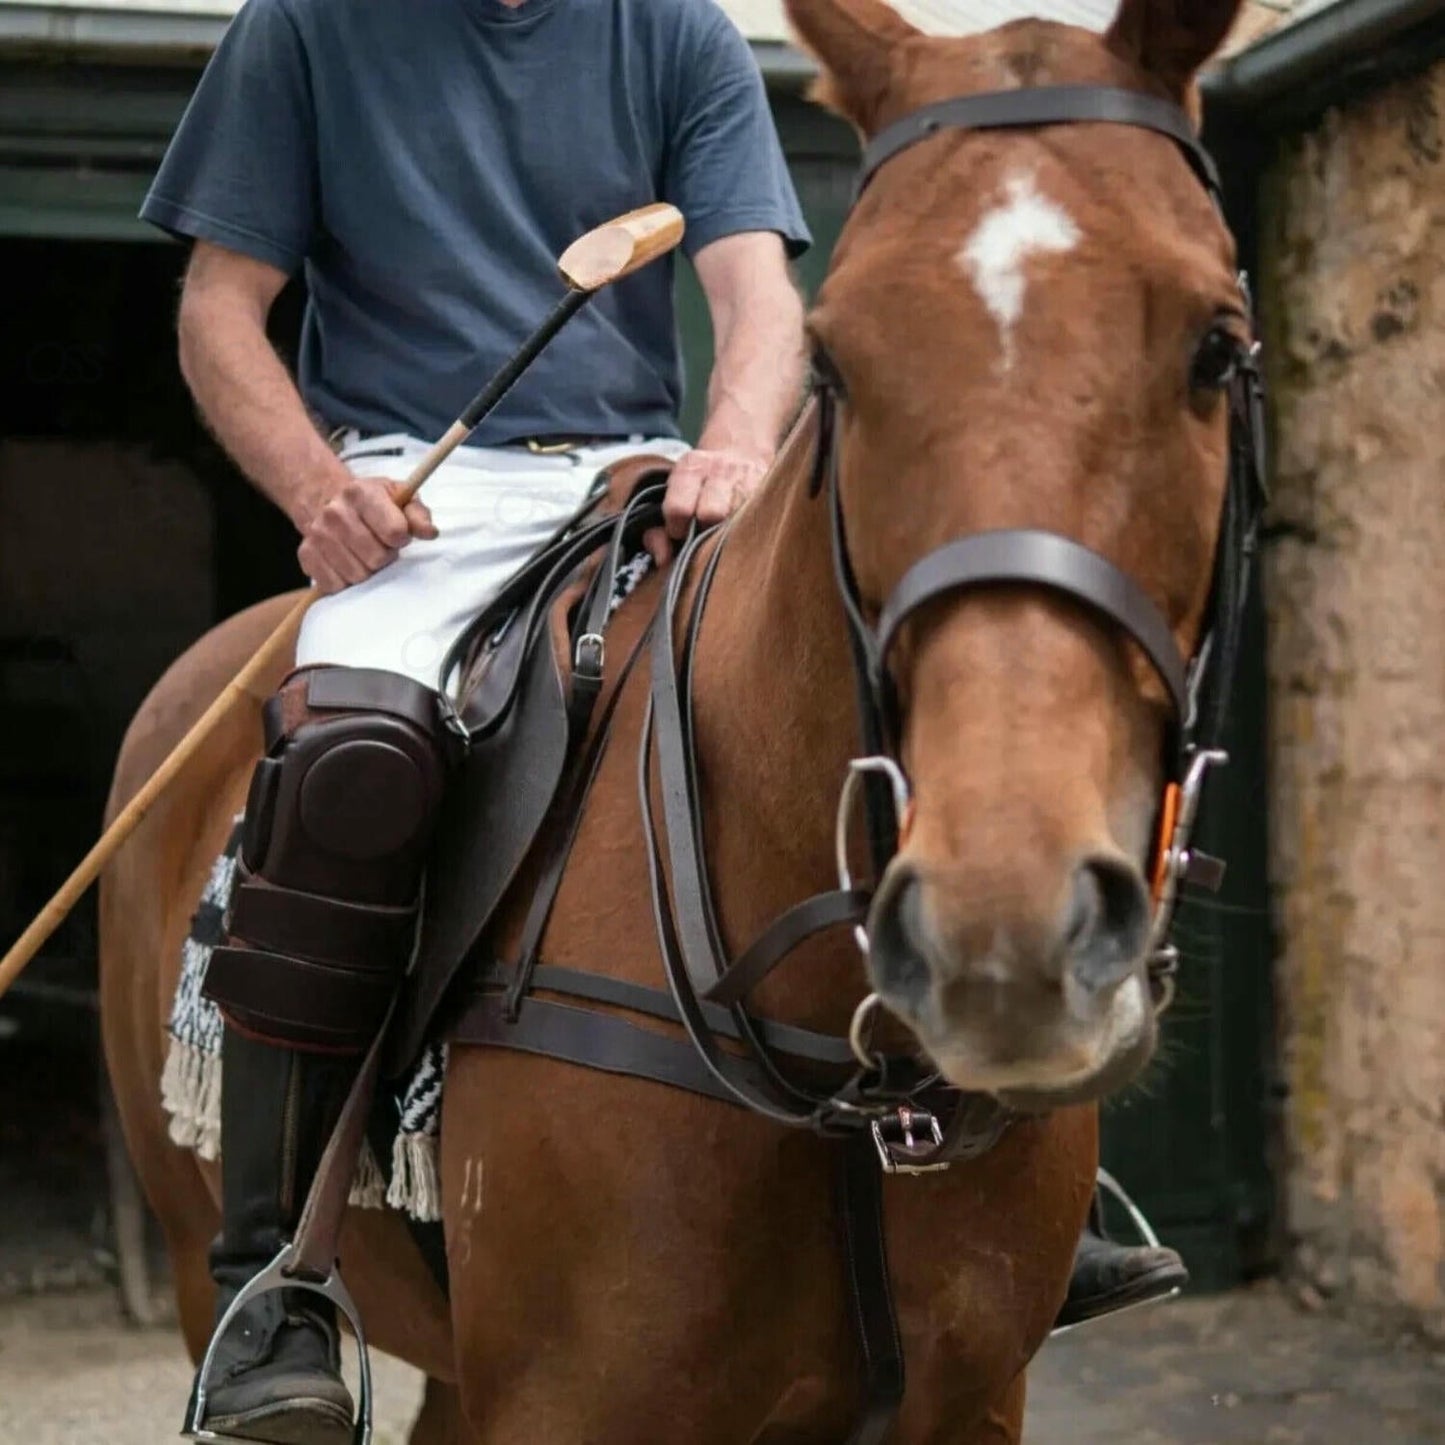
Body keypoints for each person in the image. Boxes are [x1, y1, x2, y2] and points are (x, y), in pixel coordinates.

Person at [142, 2, 1181, 1440]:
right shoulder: (310, 29)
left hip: (640, 474)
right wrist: (320, 488)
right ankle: (276, 1272)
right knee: (350, 756)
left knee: (852, 676)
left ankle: (1003, 1149)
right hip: (410, 499)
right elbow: (217, 306)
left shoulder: (674, 32)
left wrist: (738, 445)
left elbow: (755, 298)